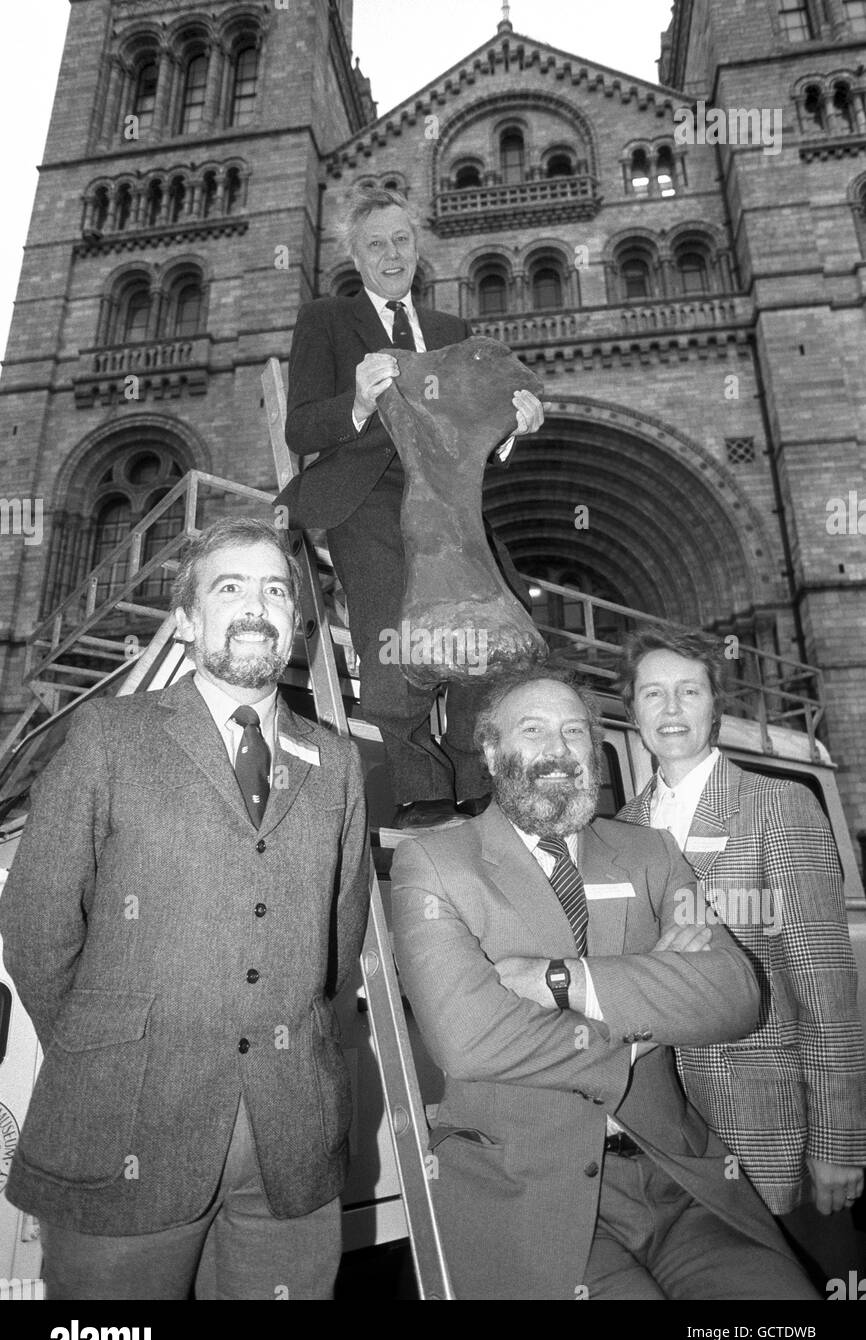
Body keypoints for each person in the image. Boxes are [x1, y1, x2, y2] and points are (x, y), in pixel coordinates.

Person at [0, 517, 370, 1300]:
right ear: (186, 619)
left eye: (275, 590)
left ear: (297, 623)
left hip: (288, 1146)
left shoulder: (335, 763)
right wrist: (106, 1051)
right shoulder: (109, 734)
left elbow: (341, 943)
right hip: (124, 1127)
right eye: (228, 586)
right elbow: (37, 925)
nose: (254, 606)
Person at [390, 663, 818, 1300]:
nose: (558, 751)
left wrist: (562, 980)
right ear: (491, 749)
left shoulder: (650, 853)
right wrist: (648, 1011)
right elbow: (465, 1040)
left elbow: (734, 993)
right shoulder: (434, 863)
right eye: (532, 731)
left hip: (680, 1187)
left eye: (574, 732)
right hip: (530, 1194)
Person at [277, 186, 544, 829]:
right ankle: (417, 784)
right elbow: (302, 429)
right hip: (365, 495)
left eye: (401, 240)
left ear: (417, 246)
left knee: (494, 613)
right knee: (393, 623)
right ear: (356, 256)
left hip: (447, 497)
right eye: (376, 244)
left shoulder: (453, 332)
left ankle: (465, 762)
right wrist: (359, 405)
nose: (391, 254)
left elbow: (475, 418)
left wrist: (512, 426)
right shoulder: (326, 319)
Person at [617, 625, 866, 1281]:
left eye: (689, 691)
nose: (671, 710)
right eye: (653, 693)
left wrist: (839, 1144)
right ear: (632, 711)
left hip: (769, 1124)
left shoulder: (773, 808)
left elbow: (825, 988)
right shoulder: (616, 830)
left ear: (714, 706)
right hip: (667, 1136)